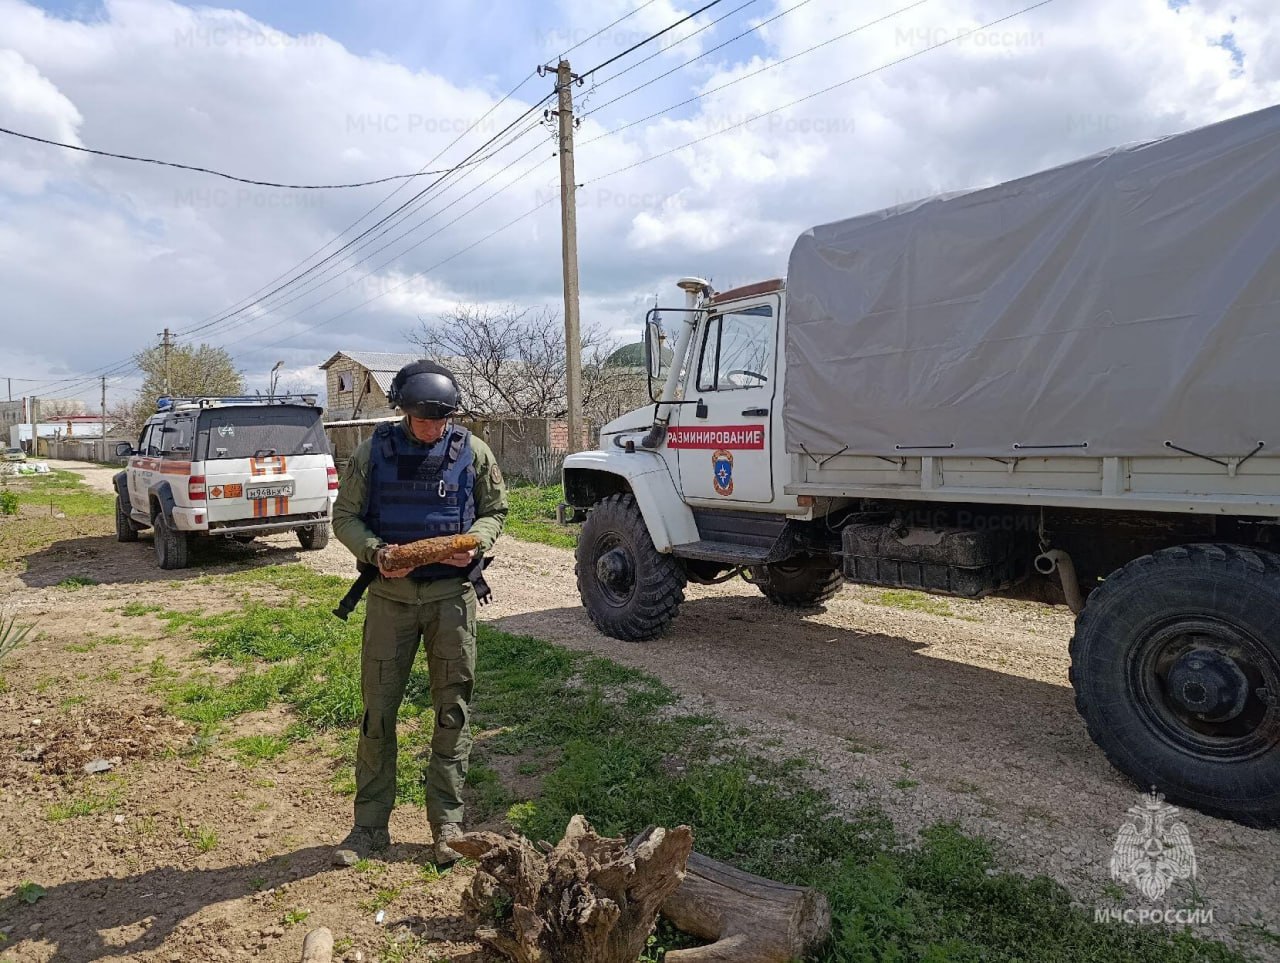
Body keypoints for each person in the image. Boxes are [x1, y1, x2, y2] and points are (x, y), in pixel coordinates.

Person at [330, 360, 507, 866]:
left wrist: (474, 544)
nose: (433, 428)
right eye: (423, 419)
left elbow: (495, 510)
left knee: (452, 711)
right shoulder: (374, 453)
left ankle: (447, 825)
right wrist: (375, 552)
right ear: (404, 412)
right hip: (392, 602)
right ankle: (368, 828)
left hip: (452, 599)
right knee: (378, 714)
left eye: (442, 420)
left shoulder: (472, 451)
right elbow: (345, 517)